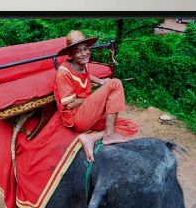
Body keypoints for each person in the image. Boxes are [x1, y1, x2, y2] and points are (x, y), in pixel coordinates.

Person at [53, 30, 138, 161]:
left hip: (86, 112)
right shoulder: (63, 73)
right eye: (78, 51)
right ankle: (109, 135)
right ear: (70, 54)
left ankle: (91, 137)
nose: (84, 53)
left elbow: (85, 74)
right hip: (76, 117)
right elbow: (69, 104)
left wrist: (100, 81)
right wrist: (95, 99)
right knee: (115, 84)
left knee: (126, 125)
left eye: (86, 49)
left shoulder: (82, 64)